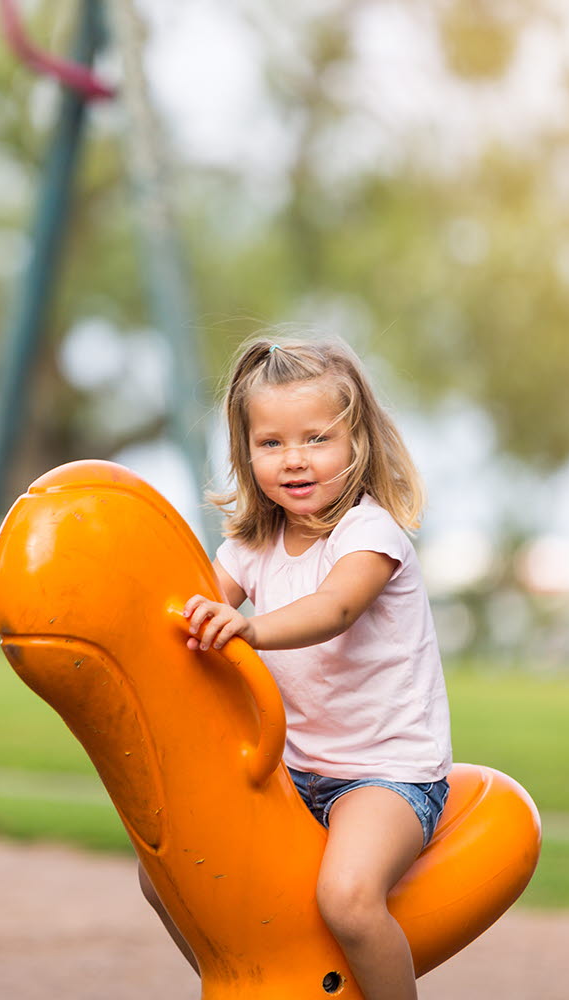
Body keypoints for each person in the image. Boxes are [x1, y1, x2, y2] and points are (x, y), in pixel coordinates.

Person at [146, 336, 452, 1000]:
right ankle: (247, 978)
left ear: (357, 442)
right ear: (245, 451)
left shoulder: (370, 536)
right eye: (272, 443)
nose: (294, 460)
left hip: (385, 772)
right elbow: (184, 617)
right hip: (290, 770)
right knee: (167, 872)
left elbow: (335, 608)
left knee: (347, 897)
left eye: (316, 439)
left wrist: (248, 630)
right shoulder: (251, 544)